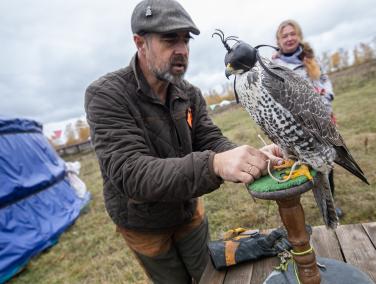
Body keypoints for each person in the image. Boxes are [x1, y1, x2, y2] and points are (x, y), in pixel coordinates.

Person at [84, 0, 282, 283]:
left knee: (209, 275)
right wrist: (214, 164)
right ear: (140, 43)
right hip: (144, 224)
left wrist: (243, 156)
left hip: (189, 213)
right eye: (169, 40)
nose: (182, 50)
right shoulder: (107, 96)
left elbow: (208, 138)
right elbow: (130, 172)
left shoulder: (188, 93)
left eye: (185, 40)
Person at [272, 19, 343, 217]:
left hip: (322, 122)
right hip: (296, 127)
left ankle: (330, 204)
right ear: (278, 40)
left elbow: (325, 84)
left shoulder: (310, 60)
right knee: (297, 164)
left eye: (292, 34)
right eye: (284, 35)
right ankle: (296, 208)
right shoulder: (274, 66)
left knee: (327, 164)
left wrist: (323, 107)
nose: (289, 38)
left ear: (299, 36)